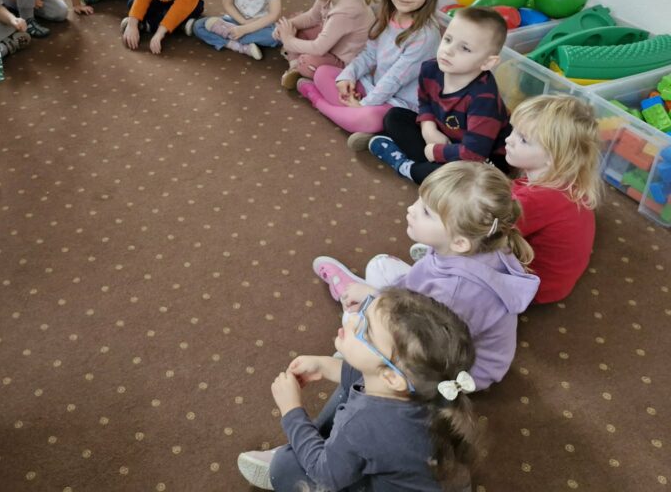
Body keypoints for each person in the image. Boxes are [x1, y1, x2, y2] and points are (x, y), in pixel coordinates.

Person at [313, 162, 540, 390]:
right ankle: (360, 296)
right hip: (431, 309)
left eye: (426, 212)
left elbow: (419, 340)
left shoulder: (455, 293)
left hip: (447, 361)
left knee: (354, 319)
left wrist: (375, 298)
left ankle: (352, 358)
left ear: (459, 242)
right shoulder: (477, 242)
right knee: (379, 265)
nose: (411, 209)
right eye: (419, 200)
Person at [237, 287, 483, 491]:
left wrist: (291, 411)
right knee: (354, 384)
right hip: (423, 474)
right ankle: (311, 443)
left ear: (391, 377)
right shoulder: (426, 388)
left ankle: (302, 448)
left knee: (285, 466)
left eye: (366, 330)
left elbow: (326, 474)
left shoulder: (363, 423)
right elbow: (361, 377)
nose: (352, 319)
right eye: (365, 310)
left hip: (364, 473)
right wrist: (325, 366)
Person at [298, 0, 443, 140]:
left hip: (400, 105)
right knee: (323, 73)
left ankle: (318, 101)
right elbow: (369, 55)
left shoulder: (425, 35)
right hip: (374, 87)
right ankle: (352, 118)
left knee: (369, 118)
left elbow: (395, 79)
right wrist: (348, 76)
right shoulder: (388, 15)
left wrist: (365, 104)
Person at [367, 6, 511, 183]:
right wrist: (428, 127)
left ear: (487, 62)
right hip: (444, 137)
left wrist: (435, 151)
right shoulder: (431, 69)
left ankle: (407, 166)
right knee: (394, 117)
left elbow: (475, 153)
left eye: (465, 48)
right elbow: (425, 102)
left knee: (468, 181)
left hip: (481, 158)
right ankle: (425, 164)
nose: (448, 50)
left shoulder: (484, 100)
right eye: (448, 39)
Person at [506, 94, 602, 304]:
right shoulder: (568, 181)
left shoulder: (534, 200)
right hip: (557, 282)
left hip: (532, 286)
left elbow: (486, 232)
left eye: (523, 139)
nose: (508, 139)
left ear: (553, 157)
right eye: (513, 130)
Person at [274, 0, 375, 90]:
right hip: (330, 43)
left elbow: (319, 48)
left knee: (307, 62)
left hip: (344, 61)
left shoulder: (346, 12)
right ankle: (294, 66)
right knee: (296, 27)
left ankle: (298, 65)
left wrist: (288, 41)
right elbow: (311, 17)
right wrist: (288, 26)